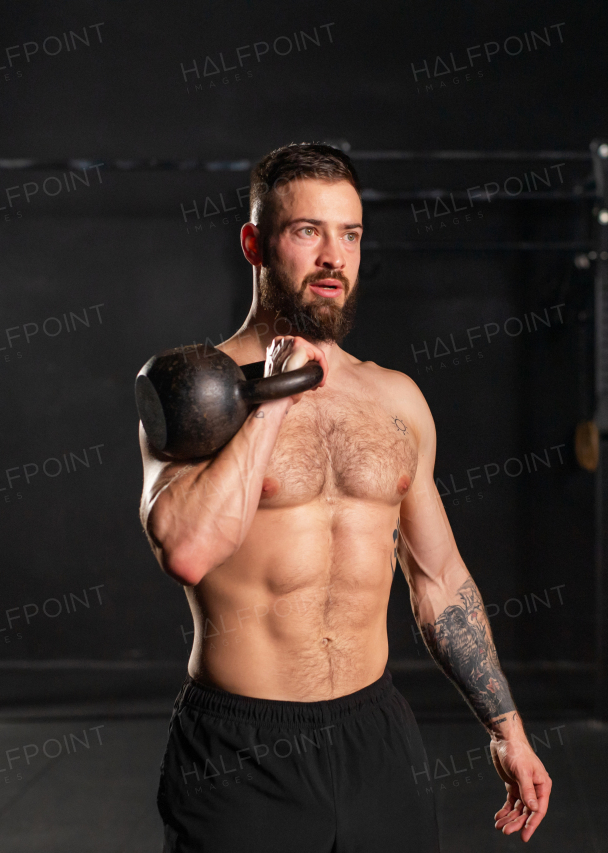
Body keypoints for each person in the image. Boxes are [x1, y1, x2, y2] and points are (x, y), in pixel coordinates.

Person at [139, 142, 551, 852]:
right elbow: (185, 548)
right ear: (256, 244)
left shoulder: (396, 399)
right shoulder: (197, 390)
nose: (334, 255)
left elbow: (440, 581)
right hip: (242, 749)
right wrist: (272, 396)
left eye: (350, 234)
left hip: (375, 738)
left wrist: (506, 726)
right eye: (307, 231)